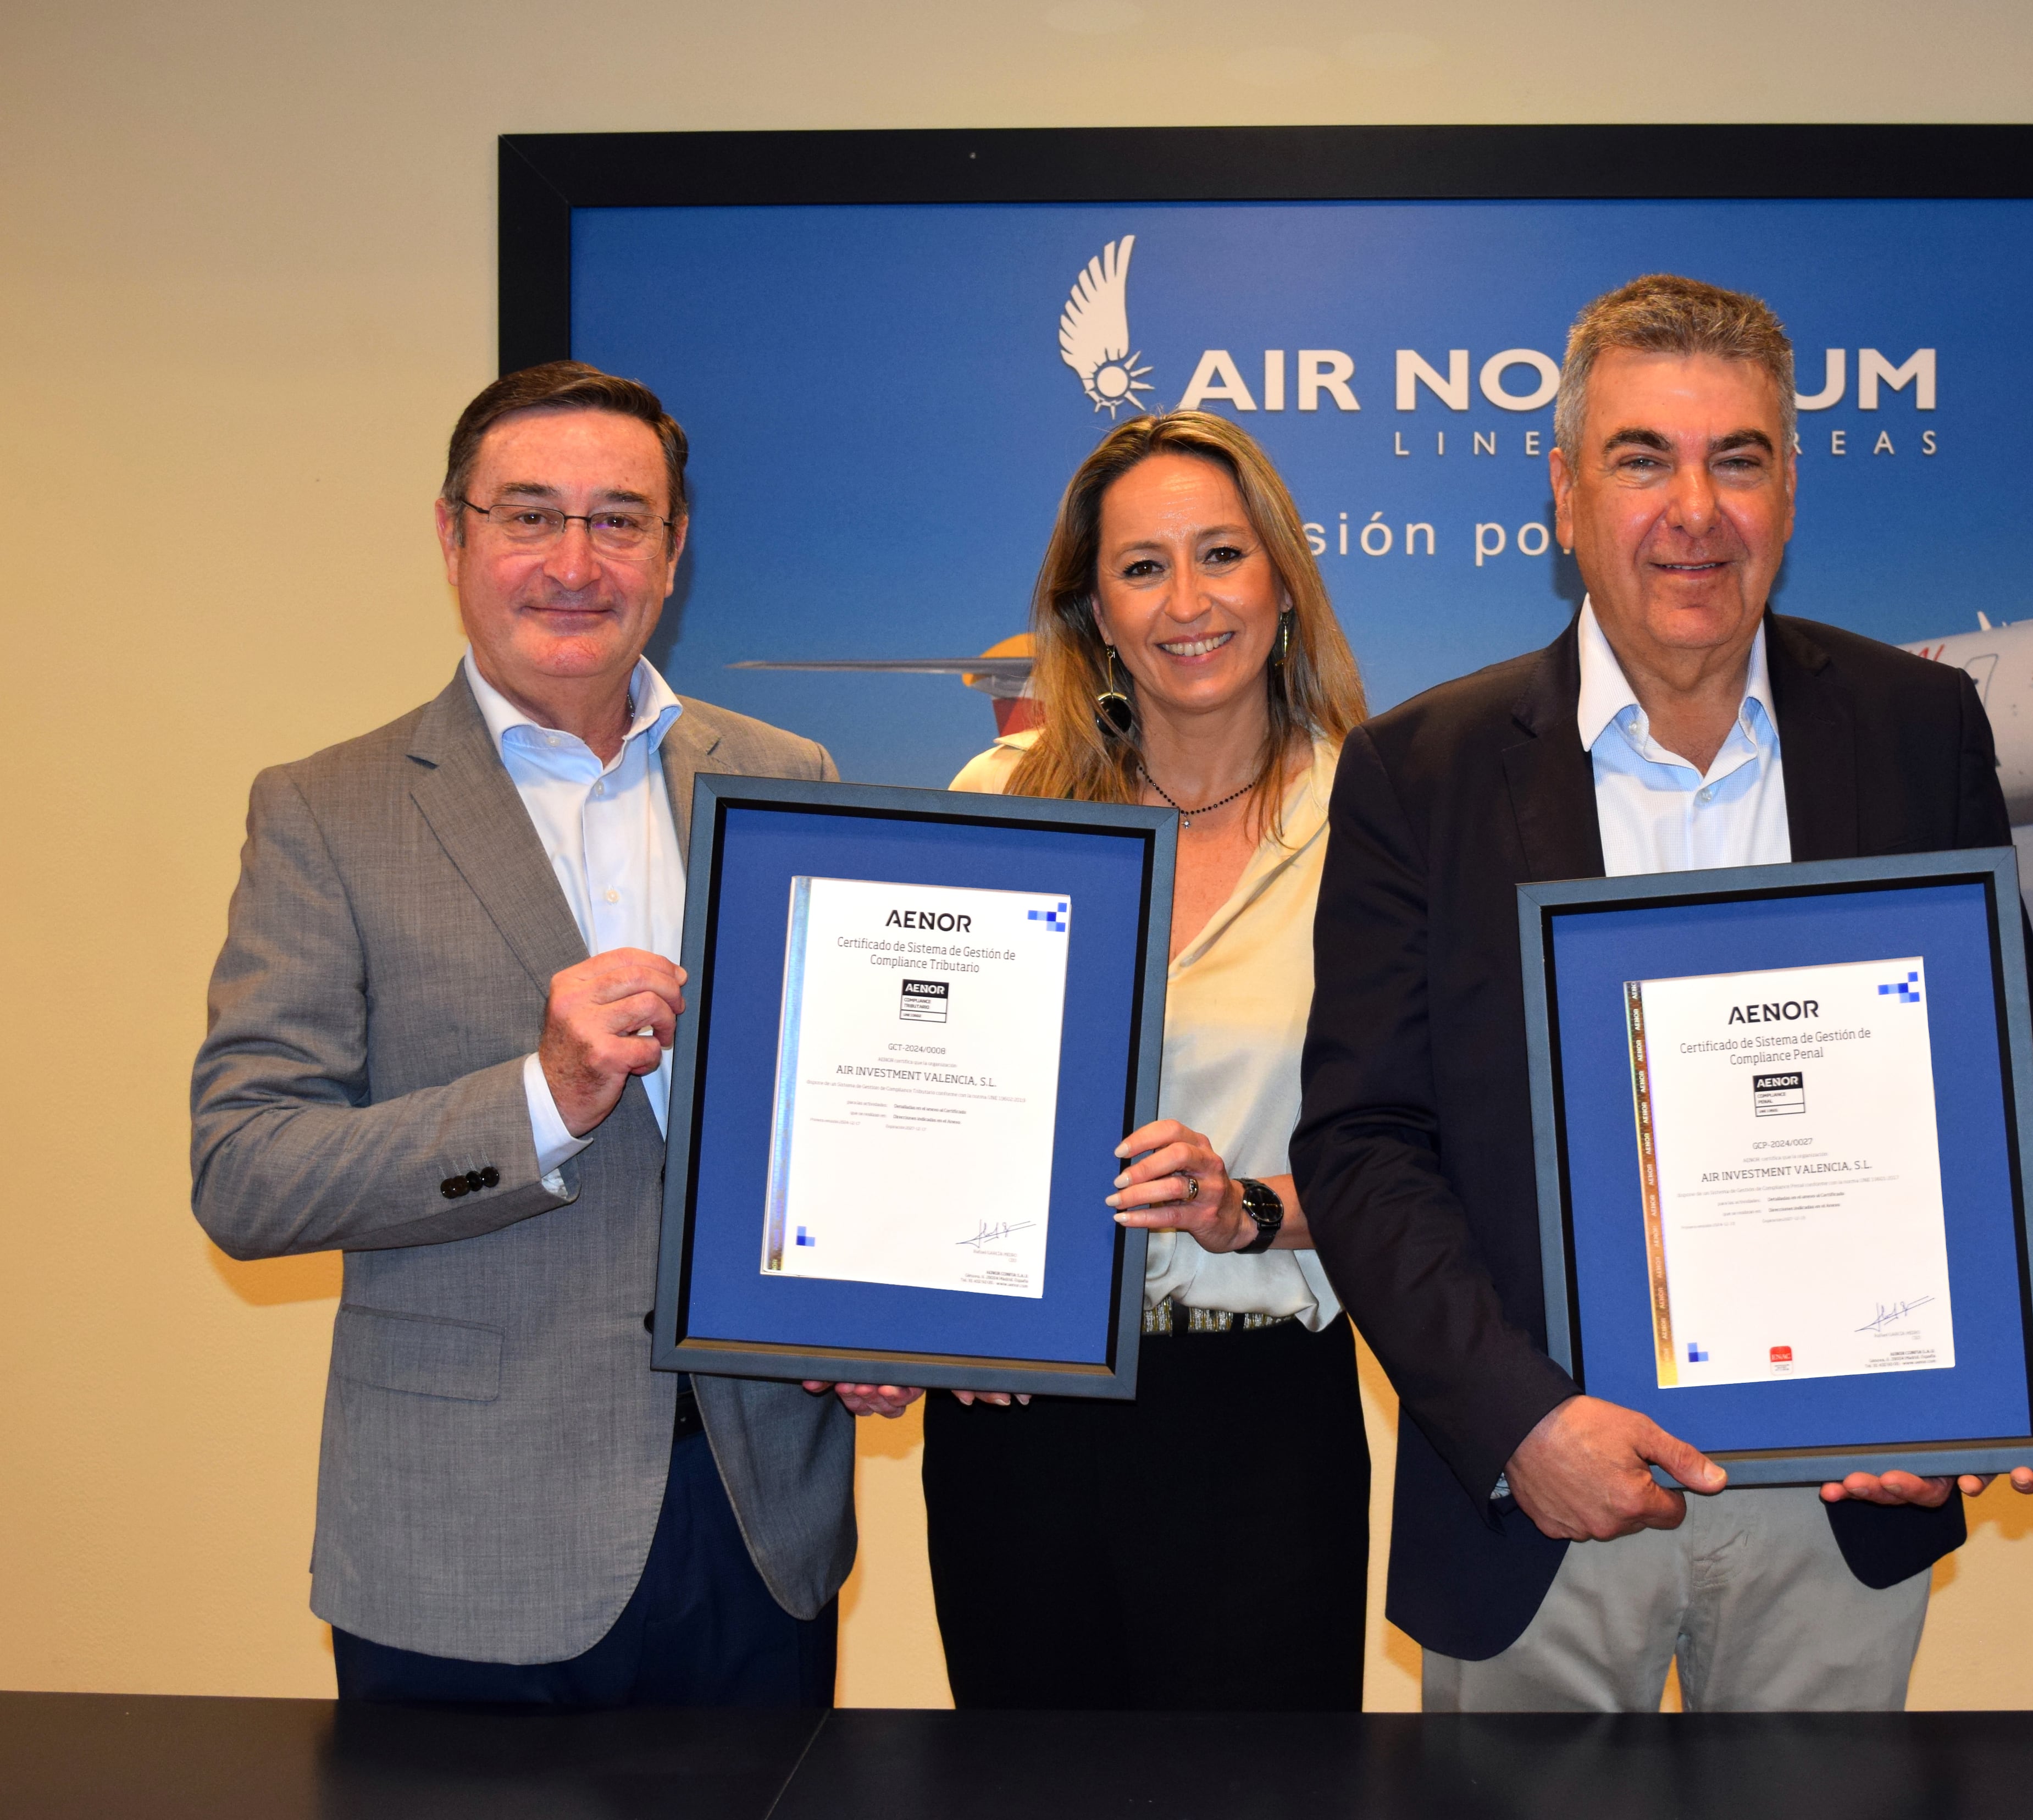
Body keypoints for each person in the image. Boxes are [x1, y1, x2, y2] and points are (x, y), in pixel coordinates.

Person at [1293, 274, 2033, 1713]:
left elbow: (2011, 1085)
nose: (1694, 511)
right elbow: (1362, 1145)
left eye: (1740, 459)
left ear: (1789, 485)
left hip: (1844, 1492)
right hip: (1537, 1496)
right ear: (1566, 493)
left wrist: (1966, 1381)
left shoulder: (1920, 731)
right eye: (1643, 457)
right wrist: (1518, 1421)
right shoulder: (1424, 770)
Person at [191, 361, 874, 1706]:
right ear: (453, 535)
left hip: (759, 1530)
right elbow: (246, 1171)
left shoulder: (788, 779)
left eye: (620, 520)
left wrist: (860, 1309)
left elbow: (832, 1122)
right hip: (468, 1545)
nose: (575, 561)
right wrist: (541, 1098)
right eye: (528, 516)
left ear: (672, 554)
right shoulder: (327, 812)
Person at [910, 412, 1375, 1710]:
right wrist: (919, 1301)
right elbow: (918, 1100)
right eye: (1142, 566)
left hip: (1256, 1414)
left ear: (1282, 582)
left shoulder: (1372, 817)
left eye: (1222, 555)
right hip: (1015, 1414)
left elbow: (1427, 1158)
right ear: (1092, 610)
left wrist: (1250, 1209)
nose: (1188, 601)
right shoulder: (1002, 795)